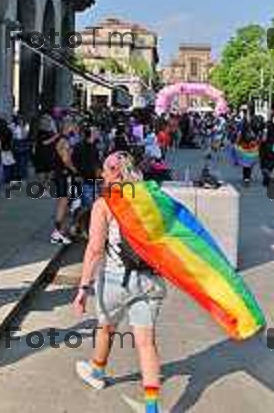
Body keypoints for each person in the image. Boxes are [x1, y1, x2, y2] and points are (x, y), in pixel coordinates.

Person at [73, 152, 166, 413]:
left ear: (115, 173)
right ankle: (151, 407)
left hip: (115, 279)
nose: (102, 174)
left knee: (106, 327)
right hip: (149, 280)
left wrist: (83, 288)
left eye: (105, 170)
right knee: (146, 344)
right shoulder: (151, 199)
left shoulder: (104, 205)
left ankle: (97, 371)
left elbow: (94, 250)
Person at [50, 118, 79, 244]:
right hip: (63, 174)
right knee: (63, 201)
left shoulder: (60, 139)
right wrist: (75, 170)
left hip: (61, 174)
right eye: (73, 125)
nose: (75, 128)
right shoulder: (64, 141)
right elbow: (66, 160)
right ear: (68, 127)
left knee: (65, 202)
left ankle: (60, 231)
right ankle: (57, 233)